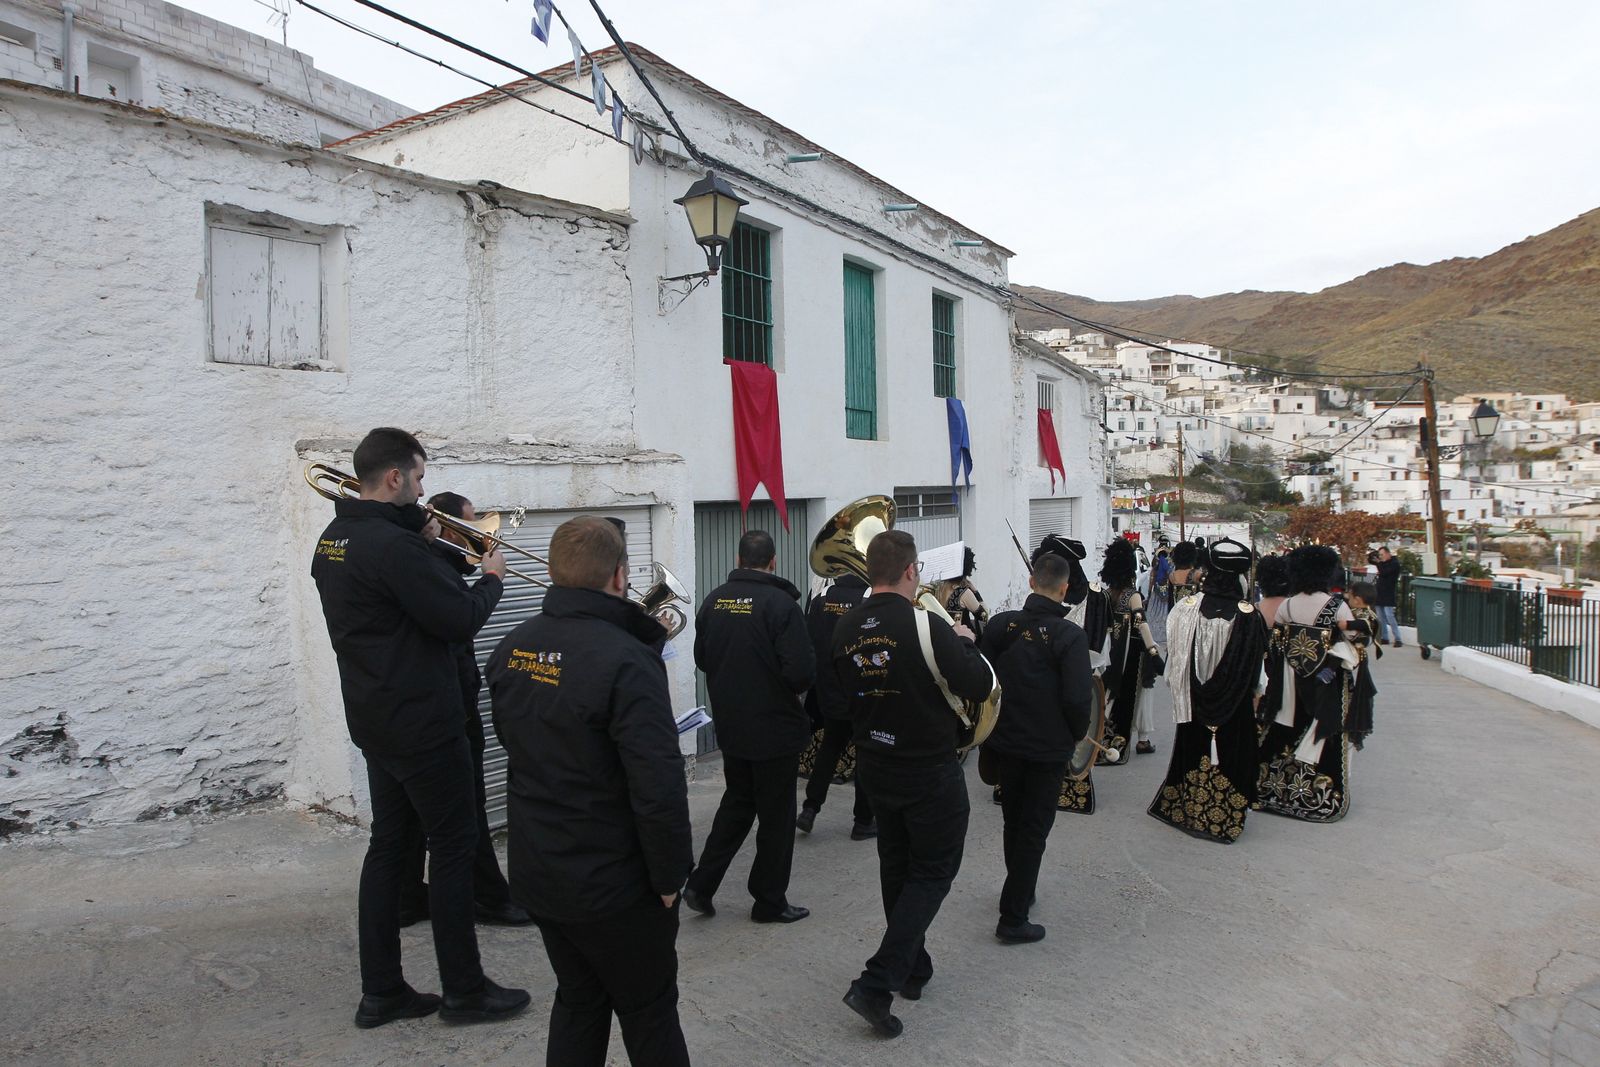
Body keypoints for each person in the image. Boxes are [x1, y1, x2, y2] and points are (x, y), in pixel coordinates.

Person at [310, 427, 529, 1029]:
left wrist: (424, 539)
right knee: (454, 850)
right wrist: (492, 579)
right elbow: (456, 620)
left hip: (376, 718)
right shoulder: (392, 548)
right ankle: (465, 990)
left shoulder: (335, 537)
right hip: (425, 723)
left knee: (389, 849)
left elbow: (394, 601)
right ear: (394, 478)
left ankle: (381, 991)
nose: (424, 486)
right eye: (420, 476)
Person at [486, 516, 693, 1067]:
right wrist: (670, 877)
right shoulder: (627, 659)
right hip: (613, 885)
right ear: (620, 576)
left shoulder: (512, 647)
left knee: (579, 999)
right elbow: (658, 785)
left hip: (542, 870)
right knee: (649, 1012)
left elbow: (519, 747)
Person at [834, 530, 995, 1039]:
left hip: (875, 763)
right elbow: (978, 686)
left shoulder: (843, 628)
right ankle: (877, 983)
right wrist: (967, 644)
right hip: (927, 766)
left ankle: (913, 968)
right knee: (933, 870)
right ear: (910, 571)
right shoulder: (929, 625)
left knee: (896, 868)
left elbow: (838, 701)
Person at [399, 492, 533, 929]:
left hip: (423, 704)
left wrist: (472, 558)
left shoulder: (432, 558)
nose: (482, 532)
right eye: (473, 524)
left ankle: (406, 896)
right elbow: (462, 617)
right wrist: (493, 578)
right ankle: (489, 898)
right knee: (466, 805)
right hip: (448, 703)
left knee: (409, 814)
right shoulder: (425, 562)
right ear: (450, 525)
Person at [682, 530, 815, 924]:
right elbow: (801, 673)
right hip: (774, 731)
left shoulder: (713, 601)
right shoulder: (781, 604)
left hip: (733, 729)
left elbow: (703, 660)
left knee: (737, 806)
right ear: (772, 561)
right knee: (776, 818)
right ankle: (768, 901)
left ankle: (700, 885)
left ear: (739, 559)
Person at [979, 552, 1093, 942]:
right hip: (1046, 750)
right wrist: (1076, 735)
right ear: (1064, 590)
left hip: (1006, 744)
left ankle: (1020, 892)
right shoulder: (1070, 637)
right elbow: (1079, 701)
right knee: (1034, 829)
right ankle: (1012, 917)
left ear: (1031, 583)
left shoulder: (1000, 625)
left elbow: (984, 681)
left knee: (1015, 821)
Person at [1147, 538, 1267, 844]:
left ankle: (1185, 807)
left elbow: (1175, 658)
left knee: (1193, 748)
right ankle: (1222, 816)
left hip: (1193, 699)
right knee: (1229, 753)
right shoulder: (1249, 616)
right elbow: (1255, 670)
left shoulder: (1185, 609)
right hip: (1234, 704)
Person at [1256, 545, 1357, 823]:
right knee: (1324, 730)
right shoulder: (1337, 605)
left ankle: (1273, 790)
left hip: (1289, 681)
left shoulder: (1288, 604)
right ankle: (1318, 795)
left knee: (1286, 727)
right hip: (1325, 682)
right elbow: (1353, 636)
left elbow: (1276, 641)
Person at [797, 571, 874, 839]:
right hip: (861, 690)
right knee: (866, 753)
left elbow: (810, 642)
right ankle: (863, 822)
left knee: (830, 747)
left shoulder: (822, 597)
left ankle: (810, 808)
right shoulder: (869, 598)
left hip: (829, 690)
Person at [1099, 539, 1161, 766]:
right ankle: (1120, 743)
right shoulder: (1132, 595)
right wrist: (1154, 652)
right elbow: (1142, 623)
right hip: (1131, 653)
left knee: (1107, 696)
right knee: (1130, 697)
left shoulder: (1106, 595)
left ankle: (1101, 743)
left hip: (1107, 654)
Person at [1344, 580, 1382, 750]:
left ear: (1357, 599)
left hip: (1353, 662)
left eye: (1350, 596)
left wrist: (1344, 625)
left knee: (1353, 698)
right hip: (1354, 660)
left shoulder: (1365, 616)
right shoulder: (1358, 612)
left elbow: (1362, 630)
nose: (1347, 598)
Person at [932, 547, 988, 638]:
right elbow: (984, 616)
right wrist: (976, 592)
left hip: (942, 638)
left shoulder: (937, 589)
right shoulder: (963, 593)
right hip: (963, 641)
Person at [1374, 547, 1403, 647]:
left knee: (1389, 616)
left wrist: (1378, 563)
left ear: (1387, 554)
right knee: (1381, 617)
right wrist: (1378, 563)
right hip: (1380, 593)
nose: (1380, 557)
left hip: (1389, 593)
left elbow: (1385, 572)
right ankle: (1384, 637)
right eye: (1379, 555)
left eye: (1382, 555)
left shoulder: (1394, 564)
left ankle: (1398, 638)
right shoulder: (1383, 564)